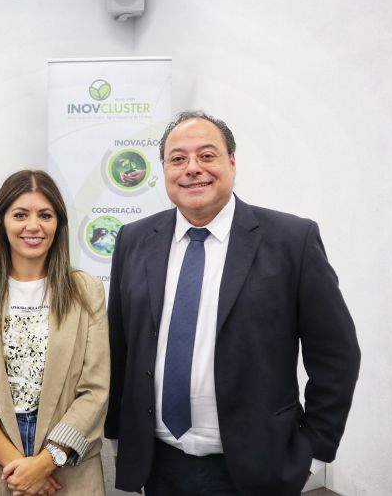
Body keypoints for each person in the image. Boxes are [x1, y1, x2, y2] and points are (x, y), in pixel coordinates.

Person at [104, 111, 361, 496]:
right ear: (164, 170)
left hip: (256, 468)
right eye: (178, 159)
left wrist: (313, 452)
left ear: (232, 162)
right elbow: (119, 344)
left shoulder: (292, 241)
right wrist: (118, 435)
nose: (192, 168)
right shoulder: (134, 240)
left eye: (207, 155)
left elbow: (336, 355)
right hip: (159, 464)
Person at [0, 169, 110, 496]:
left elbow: (95, 390)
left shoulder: (86, 290)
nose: (33, 226)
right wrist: (21, 467)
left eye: (45, 215)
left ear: (58, 224)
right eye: (20, 215)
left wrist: (46, 462)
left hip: (67, 461)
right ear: (2, 222)